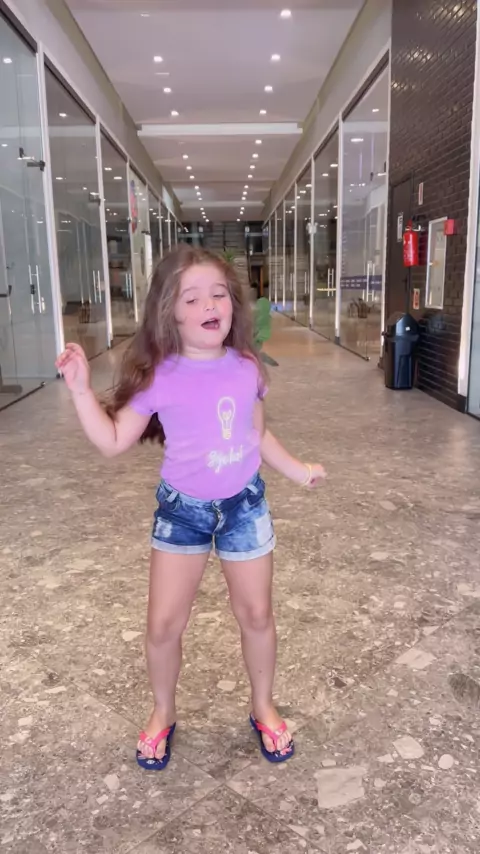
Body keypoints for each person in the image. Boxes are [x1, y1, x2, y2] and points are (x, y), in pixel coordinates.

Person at [56, 245, 326, 771]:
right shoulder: (160, 375)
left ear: (232, 305)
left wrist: (299, 470)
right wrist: (82, 392)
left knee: (257, 615)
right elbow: (112, 441)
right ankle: (162, 711)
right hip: (182, 514)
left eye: (219, 294)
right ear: (170, 312)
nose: (210, 305)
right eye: (193, 298)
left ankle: (263, 705)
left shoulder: (246, 368)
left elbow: (256, 434)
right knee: (163, 625)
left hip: (244, 508)